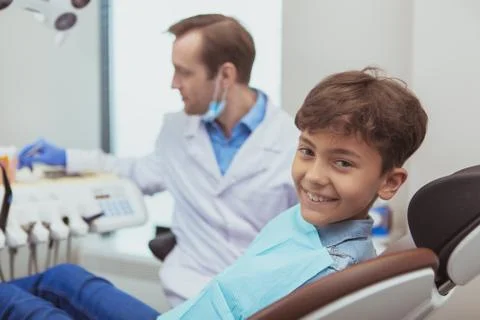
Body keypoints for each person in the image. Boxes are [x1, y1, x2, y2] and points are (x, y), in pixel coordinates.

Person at [0, 67, 428, 319]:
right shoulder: (312, 219)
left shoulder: (329, 274)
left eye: (343, 163)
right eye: (306, 151)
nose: (313, 176)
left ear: (389, 181)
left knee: (9, 300)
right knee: (63, 276)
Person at [16, 14, 299, 305]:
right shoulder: (177, 131)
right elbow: (135, 172)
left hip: (257, 305)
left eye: (184, 72)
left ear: (225, 76)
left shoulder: (294, 145)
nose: (174, 84)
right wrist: (68, 158)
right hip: (188, 300)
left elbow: (308, 247)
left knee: (24, 298)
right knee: (61, 277)